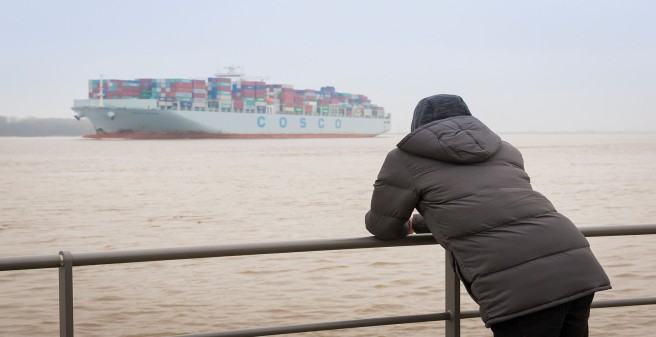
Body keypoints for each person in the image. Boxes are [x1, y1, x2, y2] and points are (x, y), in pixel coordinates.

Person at [365, 94, 611, 337]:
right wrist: (420, 224)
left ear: (417, 125)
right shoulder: (505, 149)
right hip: (574, 263)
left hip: (521, 287)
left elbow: (382, 226)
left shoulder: (403, 159)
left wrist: (406, 226)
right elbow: (493, 207)